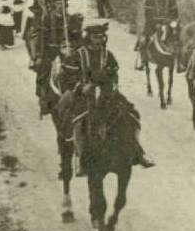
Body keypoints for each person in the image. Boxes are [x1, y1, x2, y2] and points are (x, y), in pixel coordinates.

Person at [61, 20, 156, 173]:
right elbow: (67, 78)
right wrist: (81, 87)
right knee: (77, 120)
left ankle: (138, 152)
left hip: (106, 92)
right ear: (89, 37)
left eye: (101, 37)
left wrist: (112, 87)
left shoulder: (107, 55)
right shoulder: (77, 55)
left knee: (131, 114)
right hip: (84, 94)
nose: (99, 41)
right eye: (96, 37)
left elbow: (114, 73)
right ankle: (79, 157)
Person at [28, 0, 71, 115]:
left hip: (64, 50)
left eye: (63, 4)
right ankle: (44, 100)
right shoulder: (46, 15)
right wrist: (40, 54)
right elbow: (41, 37)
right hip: (49, 49)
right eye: (58, 4)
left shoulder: (68, 19)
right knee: (44, 70)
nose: (60, 6)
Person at [138, 0, 179, 69]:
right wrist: (155, 24)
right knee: (143, 41)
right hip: (152, 25)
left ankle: (178, 61)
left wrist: (170, 21)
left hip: (167, 24)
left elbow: (175, 14)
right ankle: (143, 60)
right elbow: (147, 15)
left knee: (178, 38)